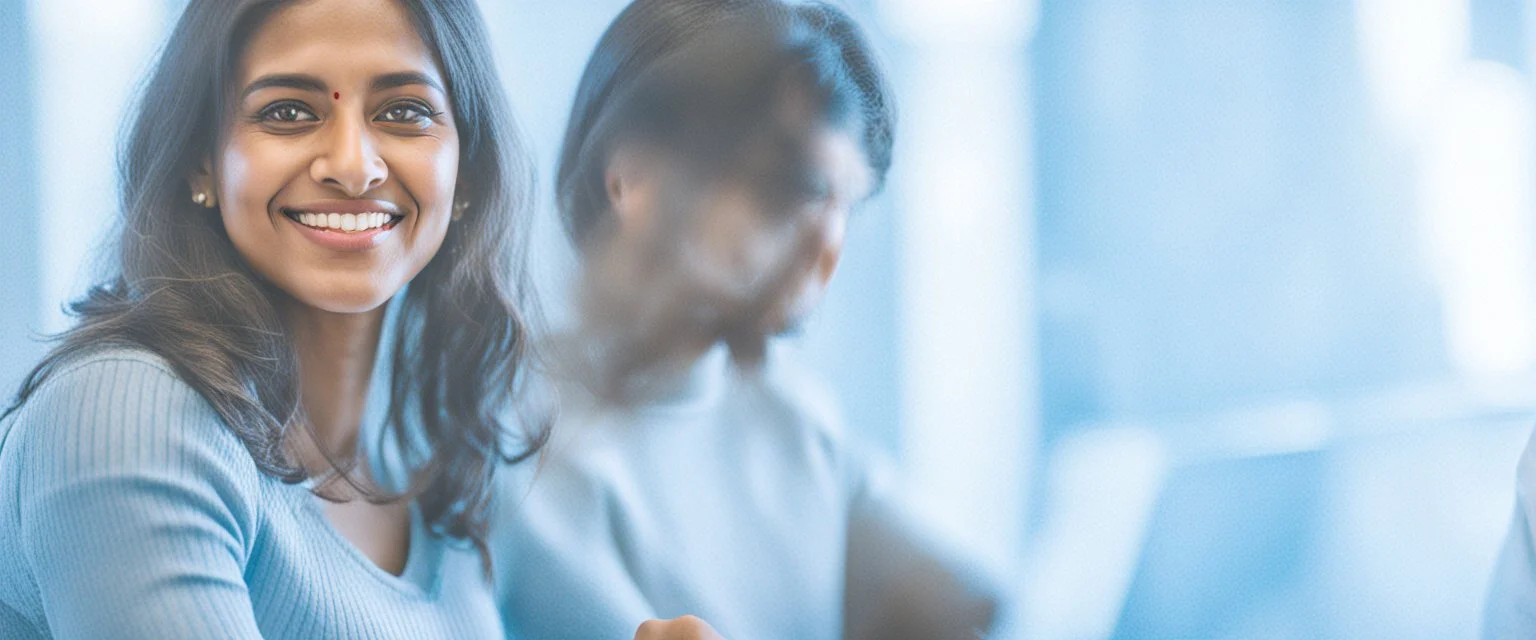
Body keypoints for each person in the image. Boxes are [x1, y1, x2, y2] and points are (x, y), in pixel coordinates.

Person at [0, 0, 553, 637]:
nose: (352, 166)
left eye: (404, 112)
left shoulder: (439, 453)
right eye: (287, 112)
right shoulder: (123, 413)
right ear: (199, 161)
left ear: (466, 173)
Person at [491, 1, 1007, 638]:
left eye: (848, 202)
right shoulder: (516, 441)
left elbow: (986, 608)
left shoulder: (795, 419)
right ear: (633, 180)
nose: (827, 245)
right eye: (794, 188)